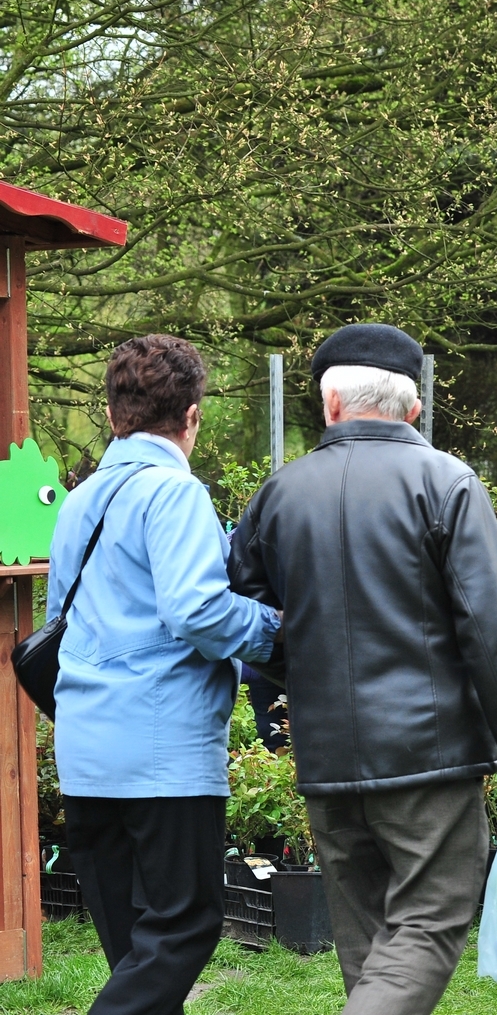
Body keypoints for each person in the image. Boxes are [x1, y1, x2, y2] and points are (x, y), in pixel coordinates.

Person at [228, 324, 497, 1014]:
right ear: (413, 409)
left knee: (370, 940)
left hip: (326, 756)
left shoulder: (278, 494)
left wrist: (303, 672)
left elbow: (245, 616)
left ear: (331, 405)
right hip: (427, 758)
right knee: (429, 920)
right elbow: (496, 631)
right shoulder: (447, 482)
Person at [52, 334, 282, 1014]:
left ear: (112, 411)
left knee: (136, 955)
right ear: (190, 418)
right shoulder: (172, 494)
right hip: (163, 752)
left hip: (86, 752)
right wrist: (279, 631)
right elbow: (198, 611)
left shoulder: (77, 503)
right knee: (184, 926)